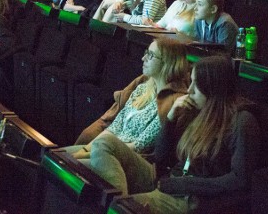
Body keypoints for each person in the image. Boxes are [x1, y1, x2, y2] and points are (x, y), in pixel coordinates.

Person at [99, 56, 259, 213]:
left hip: (191, 196)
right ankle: (119, 201)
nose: (189, 90)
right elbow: (160, 156)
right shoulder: (195, 109)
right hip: (167, 180)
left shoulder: (242, 121)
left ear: (212, 88)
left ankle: (120, 204)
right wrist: (170, 118)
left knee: (120, 208)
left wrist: (183, 185)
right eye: (191, 82)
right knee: (104, 143)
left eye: (197, 84)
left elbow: (240, 180)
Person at [65, 38, 190, 190]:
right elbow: (113, 127)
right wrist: (85, 150)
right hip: (105, 149)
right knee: (59, 156)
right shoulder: (142, 88)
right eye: (146, 53)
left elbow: (140, 145)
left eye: (150, 55)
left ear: (168, 63)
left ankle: (118, 204)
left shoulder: (172, 102)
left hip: (132, 160)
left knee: (75, 168)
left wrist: (86, 154)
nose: (143, 58)